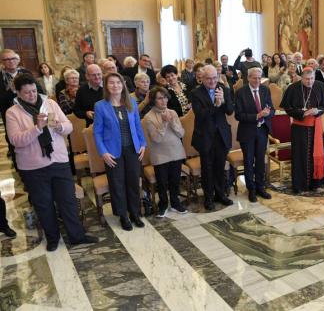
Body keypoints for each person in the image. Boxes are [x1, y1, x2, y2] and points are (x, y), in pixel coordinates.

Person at [6, 74, 98, 251]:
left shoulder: (50, 103)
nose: (32, 95)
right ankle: (53, 238)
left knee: (68, 201)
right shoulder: (13, 113)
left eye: (33, 91)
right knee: (44, 204)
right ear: (17, 93)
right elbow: (16, 140)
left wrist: (59, 126)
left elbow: (69, 126)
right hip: (33, 167)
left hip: (58, 160)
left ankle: (77, 236)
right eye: (26, 93)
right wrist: (37, 128)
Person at [93, 72, 146, 231]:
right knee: (117, 184)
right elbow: (97, 132)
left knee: (133, 182)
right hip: (112, 152)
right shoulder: (100, 106)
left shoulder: (131, 103)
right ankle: (123, 215)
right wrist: (103, 152)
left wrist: (143, 143)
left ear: (123, 84)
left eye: (118, 82)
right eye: (111, 83)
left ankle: (135, 213)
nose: (115, 85)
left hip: (132, 149)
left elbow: (138, 126)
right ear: (106, 86)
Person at [190, 65, 234, 211]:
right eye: (208, 78)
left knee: (219, 167)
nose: (212, 81)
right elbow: (201, 115)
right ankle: (208, 198)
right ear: (201, 78)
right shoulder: (196, 93)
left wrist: (224, 102)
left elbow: (229, 111)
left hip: (221, 135)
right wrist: (216, 105)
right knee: (207, 169)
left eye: (215, 77)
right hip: (205, 136)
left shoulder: (223, 89)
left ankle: (220, 194)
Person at [280, 68, 324, 193]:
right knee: (300, 157)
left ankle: (316, 183)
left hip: (316, 127)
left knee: (315, 155)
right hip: (299, 129)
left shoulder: (319, 86)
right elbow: (287, 107)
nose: (310, 82)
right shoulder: (293, 88)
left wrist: (317, 111)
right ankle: (300, 185)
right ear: (301, 78)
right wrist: (303, 113)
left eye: (312, 78)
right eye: (307, 79)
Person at [144, 86, 188, 217]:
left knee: (175, 180)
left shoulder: (173, 112)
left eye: (165, 97)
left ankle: (175, 202)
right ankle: (163, 204)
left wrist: (173, 122)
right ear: (153, 100)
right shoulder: (148, 117)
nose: (163, 101)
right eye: (159, 98)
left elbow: (181, 134)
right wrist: (163, 123)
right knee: (162, 183)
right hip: (160, 155)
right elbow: (156, 139)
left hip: (176, 151)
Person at [235, 67, 274, 202]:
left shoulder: (265, 90)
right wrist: (257, 115)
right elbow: (238, 115)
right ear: (248, 78)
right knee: (249, 161)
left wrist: (269, 113)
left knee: (260, 161)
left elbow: (272, 109)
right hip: (247, 132)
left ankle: (260, 187)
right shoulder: (241, 92)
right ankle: (251, 189)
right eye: (254, 78)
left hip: (262, 130)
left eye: (259, 78)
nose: (257, 80)